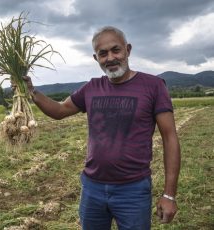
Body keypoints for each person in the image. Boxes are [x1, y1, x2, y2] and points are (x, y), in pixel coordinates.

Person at [21, 26, 181, 229]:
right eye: (103, 53)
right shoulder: (91, 87)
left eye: (116, 50)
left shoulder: (154, 85)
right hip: (92, 188)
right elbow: (60, 110)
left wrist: (169, 194)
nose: (110, 58)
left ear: (128, 50)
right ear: (96, 58)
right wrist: (32, 91)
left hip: (132, 190)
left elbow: (170, 138)